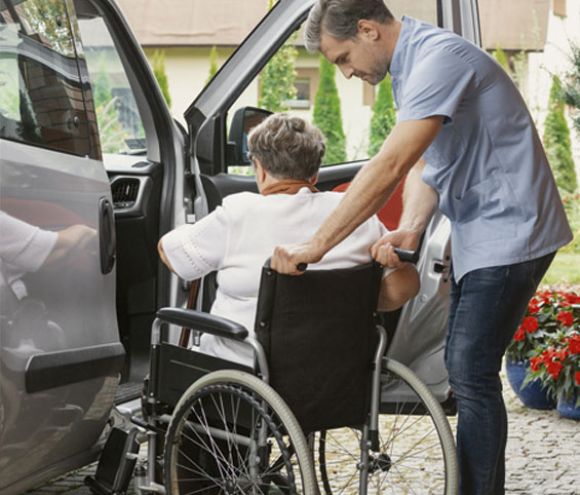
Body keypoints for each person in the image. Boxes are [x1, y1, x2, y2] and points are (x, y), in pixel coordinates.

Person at [270, 2, 573, 494]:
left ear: (367, 30)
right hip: (484, 232)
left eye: (342, 58)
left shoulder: (437, 60)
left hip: (511, 233)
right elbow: (426, 165)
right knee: (467, 369)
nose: (346, 74)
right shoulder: (412, 70)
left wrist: (317, 244)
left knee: (470, 373)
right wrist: (411, 227)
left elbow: (391, 165)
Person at [158, 113, 419, 366]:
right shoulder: (358, 217)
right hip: (335, 379)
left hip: (242, 379)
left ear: (259, 170)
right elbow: (399, 291)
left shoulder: (238, 214)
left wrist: (186, 230)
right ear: (314, 175)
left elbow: (171, 254)